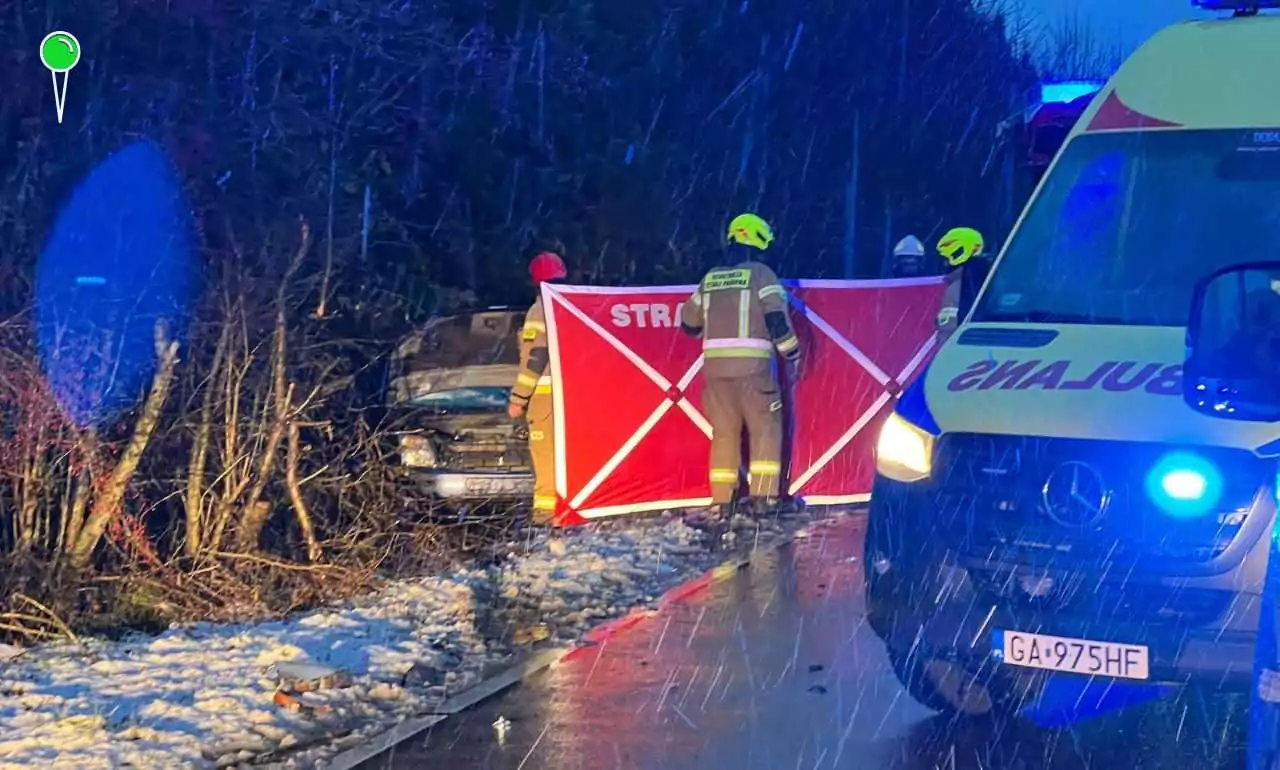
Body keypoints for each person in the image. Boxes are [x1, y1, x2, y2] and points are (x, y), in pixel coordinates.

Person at [679, 213, 802, 525]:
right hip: (754, 370)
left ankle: (723, 502)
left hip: (715, 373)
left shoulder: (710, 278)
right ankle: (765, 499)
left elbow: (688, 324)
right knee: (765, 429)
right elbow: (777, 320)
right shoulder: (762, 274)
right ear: (758, 240)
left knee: (724, 434)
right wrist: (793, 353)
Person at [507, 251, 566, 524]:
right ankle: (568, 511)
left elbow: (534, 358)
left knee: (545, 457)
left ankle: (545, 516)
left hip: (545, 399)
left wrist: (518, 398)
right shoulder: (569, 306)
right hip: (569, 396)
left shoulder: (539, 310)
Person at [935, 226, 993, 343]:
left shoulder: (956, 285)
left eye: (946, 259)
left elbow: (947, 331)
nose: (945, 264)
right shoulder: (993, 280)